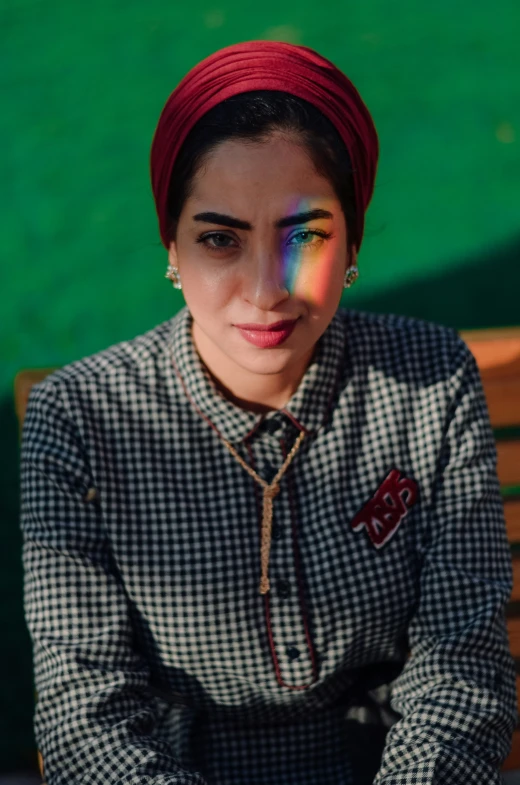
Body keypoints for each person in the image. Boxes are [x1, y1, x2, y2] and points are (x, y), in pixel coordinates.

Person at [20, 40, 516, 785]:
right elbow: (83, 711)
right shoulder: (81, 416)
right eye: (220, 238)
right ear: (171, 248)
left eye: (305, 234)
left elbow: (461, 668)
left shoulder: (432, 380)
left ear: (352, 237)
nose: (264, 289)